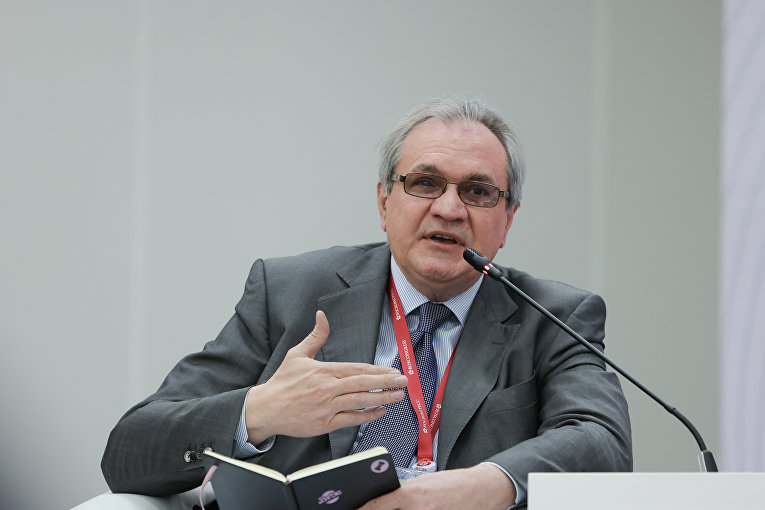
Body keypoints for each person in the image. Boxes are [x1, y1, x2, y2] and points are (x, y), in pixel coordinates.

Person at [102, 98, 632, 509]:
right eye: (425, 183)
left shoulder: (552, 318)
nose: (449, 209)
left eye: (477, 192)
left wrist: (483, 486)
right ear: (384, 202)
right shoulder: (289, 293)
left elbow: (602, 441)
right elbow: (129, 451)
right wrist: (259, 412)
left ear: (507, 220)